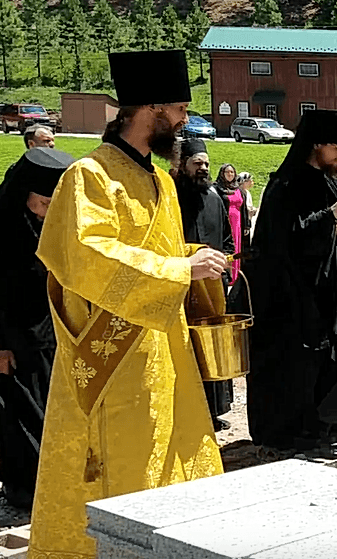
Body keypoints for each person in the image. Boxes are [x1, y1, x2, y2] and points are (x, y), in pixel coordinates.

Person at [28, 49, 226, 558]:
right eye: (179, 109)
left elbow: (151, 251)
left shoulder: (159, 177)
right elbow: (87, 256)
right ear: (152, 108)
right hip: (113, 357)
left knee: (170, 451)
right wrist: (180, 270)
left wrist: (191, 254)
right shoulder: (89, 176)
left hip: (164, 347)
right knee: (124, 464)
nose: (185, 121)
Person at [246, 109, 337, 451]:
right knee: (293, 365)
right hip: (288, 294)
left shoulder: (327, 180)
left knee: (334, 352)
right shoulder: (287, 184)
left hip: (324, 288)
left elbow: (329, 233)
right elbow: (285, 237)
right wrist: (329, 217)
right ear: (315, 145)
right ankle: (288, 431)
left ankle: (325, 423)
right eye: (334, 146)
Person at [0, 148, 75, 509]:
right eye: (41, 204)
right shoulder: (4, 227)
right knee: (23, 416)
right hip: (14, 343)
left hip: (54, 336)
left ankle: (55, 485)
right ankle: (26, 492)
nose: (46, 212)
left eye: (52, 204)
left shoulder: (53, 225)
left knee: (55, 414)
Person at [173, 138, 235, 431]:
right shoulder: (169, 197)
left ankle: (213, 410)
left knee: (211, 347)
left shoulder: (214, 197)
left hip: (212, 286)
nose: (203, 168)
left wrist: (224, 264)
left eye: (206, 164)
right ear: (181, 165)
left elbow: (227, 240)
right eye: (197, 163)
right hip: (181, 286)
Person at [215, 163, 250, 284]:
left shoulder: (239, 190)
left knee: (237, 247)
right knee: (226, 248)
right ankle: (226, 275)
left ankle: (236, 276)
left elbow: (243, 208)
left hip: (237, 223)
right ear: (222, 174)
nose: (230, 174)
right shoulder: (217, 189)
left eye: (232, 172)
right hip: (225, 223)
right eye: (227, 172)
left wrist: (246, 225)